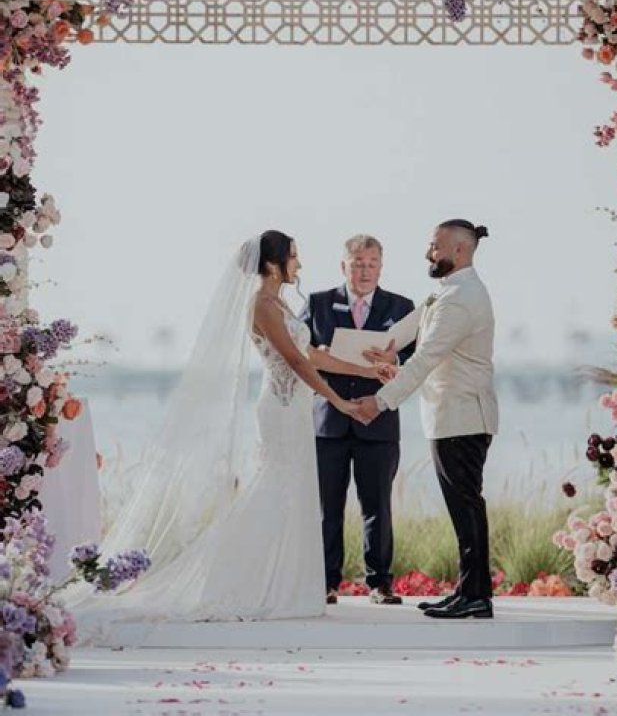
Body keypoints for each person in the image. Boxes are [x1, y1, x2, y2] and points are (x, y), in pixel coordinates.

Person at [73, 231, 386, 624]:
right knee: (277, 489)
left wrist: (368, 370)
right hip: (281, 408)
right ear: (273, 264)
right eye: (293, 256)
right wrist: (338, 401)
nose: (300, 264)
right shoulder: (262, 305)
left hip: (295, 410)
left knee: (294, 493)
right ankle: (236, 580)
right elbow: (296, 362)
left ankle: (286, 584)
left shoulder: (281, 304)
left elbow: (312, 354)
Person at [356, 219, 497, 620]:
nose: (428, 253)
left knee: (466, 508)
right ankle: (469, 591)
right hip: (453, 418)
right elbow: (416, 331)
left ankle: (475, 596)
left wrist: (380, 402)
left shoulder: (460, 297)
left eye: (435, 246)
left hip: (463, 418)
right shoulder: (450, 291)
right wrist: (387, 353)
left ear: (459, 250)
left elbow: (426, 358)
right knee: (464, 509)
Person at [302, 234, 414, 605]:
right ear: (343, 266)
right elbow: (299, 353)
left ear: (381, 266)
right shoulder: (318, 303)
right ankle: (325, 583)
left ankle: (379, 583)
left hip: (378, 423)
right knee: (326, 509)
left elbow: (416, 360)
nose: (364, 271)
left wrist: (394, 362)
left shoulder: (401, 307)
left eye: (371, 263)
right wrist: (319, 353)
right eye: (357, 264)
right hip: (329, 422)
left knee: (377, 507)